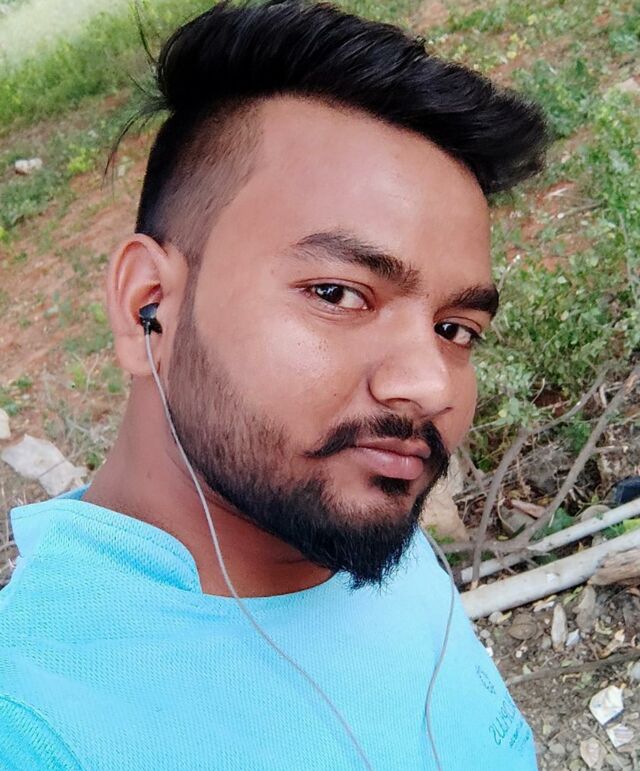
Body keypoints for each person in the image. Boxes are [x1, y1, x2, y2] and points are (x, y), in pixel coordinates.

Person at [0, 1, 548, 769]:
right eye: (337, 293)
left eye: (456, 329)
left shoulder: (346, 516)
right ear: (147, 305)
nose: (430, 385)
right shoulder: (35, 724)